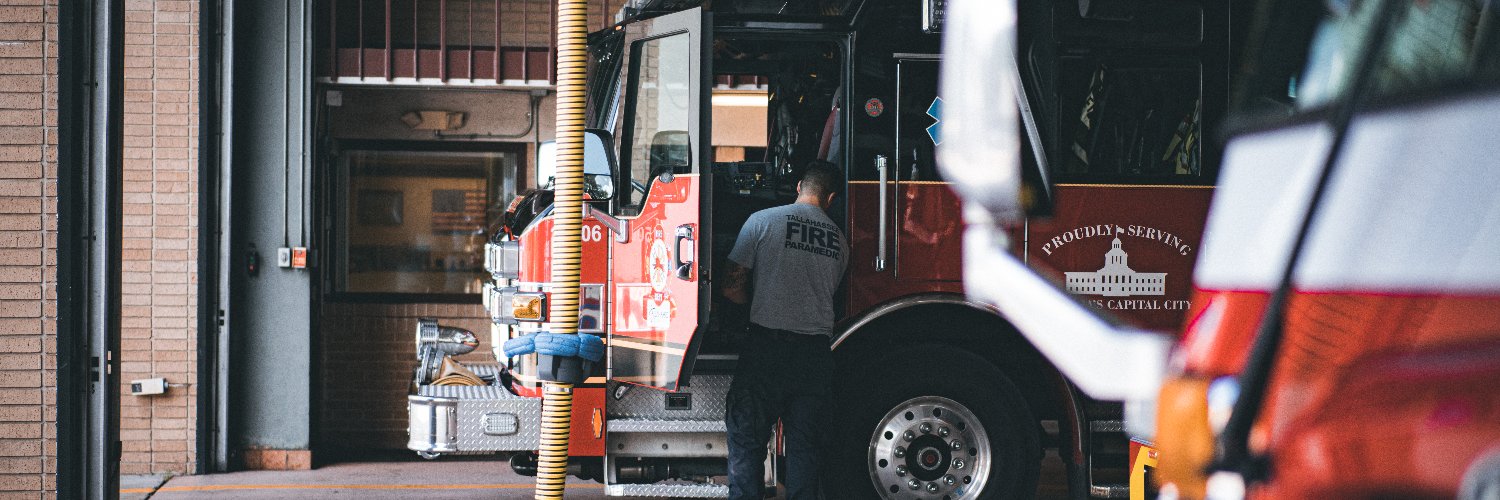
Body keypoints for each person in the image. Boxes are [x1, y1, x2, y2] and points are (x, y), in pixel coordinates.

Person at [722, 162, 847, 499]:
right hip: (815, 355)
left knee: (747, 439)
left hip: (766, 348)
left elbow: (731, 287)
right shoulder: (839, 241)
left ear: (799, 187)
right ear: (830, 198)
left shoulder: (762, 221)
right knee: (806, 447)